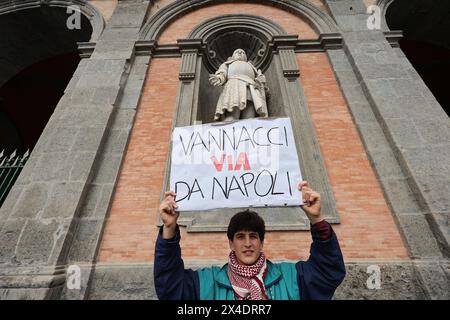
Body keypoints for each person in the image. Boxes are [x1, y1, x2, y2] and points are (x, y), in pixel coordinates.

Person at [154, 181, 346, 300]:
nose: (247, 243)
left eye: (253, 236)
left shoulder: (291, 277)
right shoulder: (205, 282)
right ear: (231, 243)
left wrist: (317, 220)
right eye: (240, 237)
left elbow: (328, 272)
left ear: (261, 242)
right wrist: (170, 227)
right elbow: (170, 288)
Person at [209, 48, 269, 121]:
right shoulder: (228, 64)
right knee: (232, 114)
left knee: (249, 118)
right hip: (234, 86)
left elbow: (260, 81)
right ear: (232, 56)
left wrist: (260, 82)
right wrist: (219, 78)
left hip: (251, 88)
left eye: (243, 53)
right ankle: (229, 128)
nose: (240, 53)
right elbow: (222, 73)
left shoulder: (252, 67)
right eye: (237, 52)